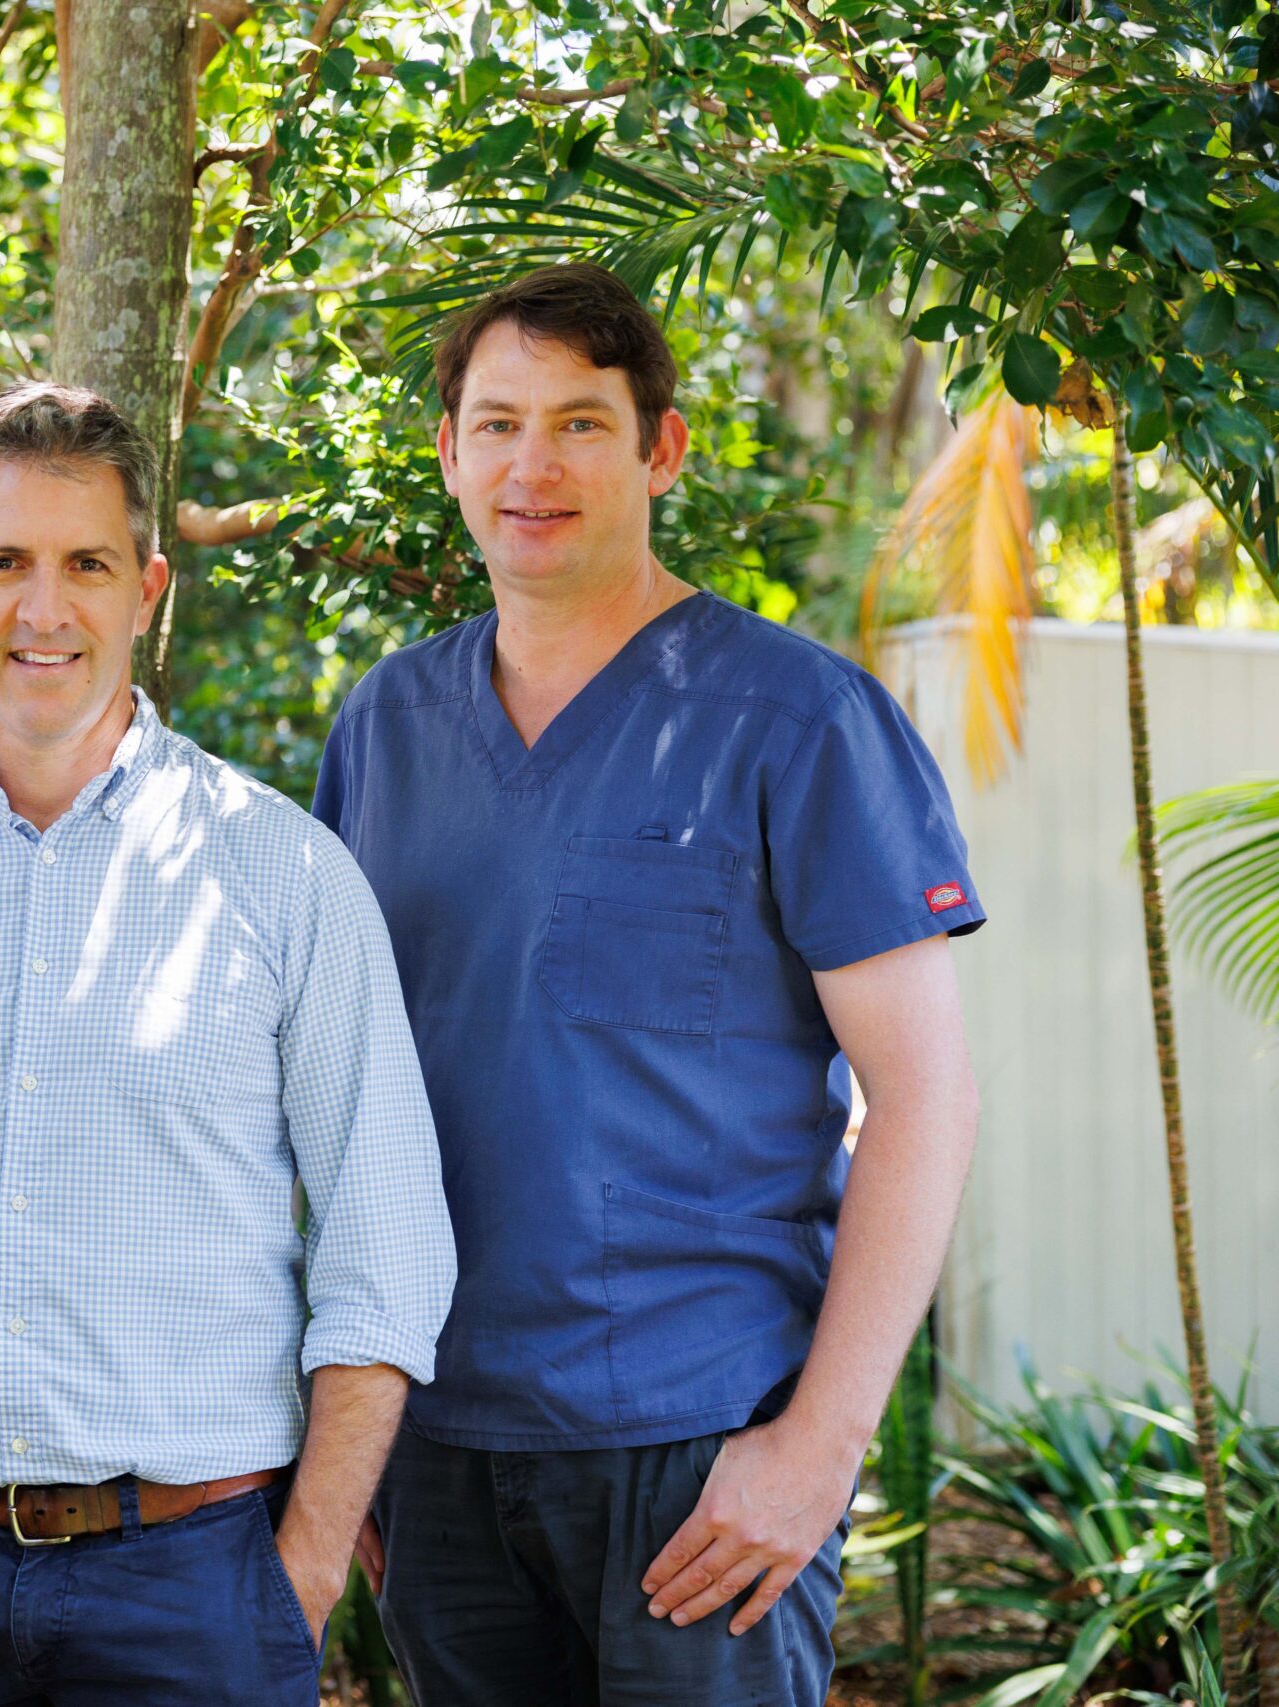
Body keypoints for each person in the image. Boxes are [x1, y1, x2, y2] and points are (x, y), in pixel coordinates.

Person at [0, 381, 456, 1706]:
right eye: (4, 562)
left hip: (198, 1587)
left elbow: (385, 1250)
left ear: (148, 588)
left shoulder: (284, 876)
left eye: (86, 565)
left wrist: (299, 1571)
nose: (42, 609)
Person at [313, 261, 984, 1705]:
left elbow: (926, 1100)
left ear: (661, 448)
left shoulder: (799, 721)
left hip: (701, 1455)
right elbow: (326, 1100)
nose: (531, 466)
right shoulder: (385, 728)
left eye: (580, 424)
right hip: (436, 1440)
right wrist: (343, 1435)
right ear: (447, 452)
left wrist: (819, 1451)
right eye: (495, 424)